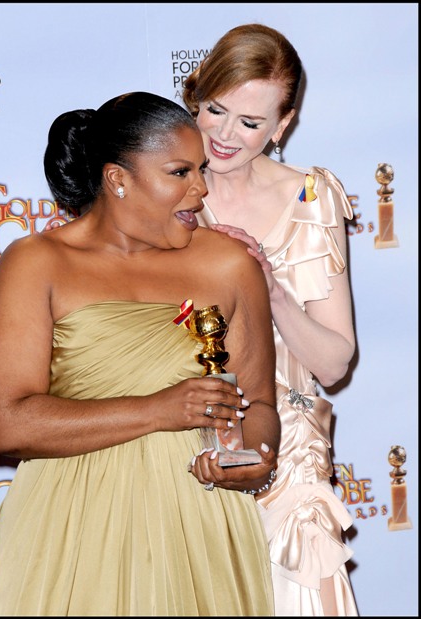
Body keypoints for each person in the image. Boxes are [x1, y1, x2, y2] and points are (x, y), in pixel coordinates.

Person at [0, 91, 281, 616]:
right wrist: (157, 410)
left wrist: (254, 460)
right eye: (180, 172)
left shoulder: (230, 264)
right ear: (118, 179)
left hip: (198, 527)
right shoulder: (37, 263)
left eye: (201, 170)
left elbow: (259, 405)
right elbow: (2, 425)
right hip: (70, 528)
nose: (201, 190)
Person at [182, 23, 358, 617]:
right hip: (179, 437)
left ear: (282, 126)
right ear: (195, 99)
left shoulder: (311, 198)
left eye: (251, 122)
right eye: (215, 110)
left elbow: (333, 365)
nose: (225, 135)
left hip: (287, 449)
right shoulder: (159, 191)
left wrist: (272, 291)